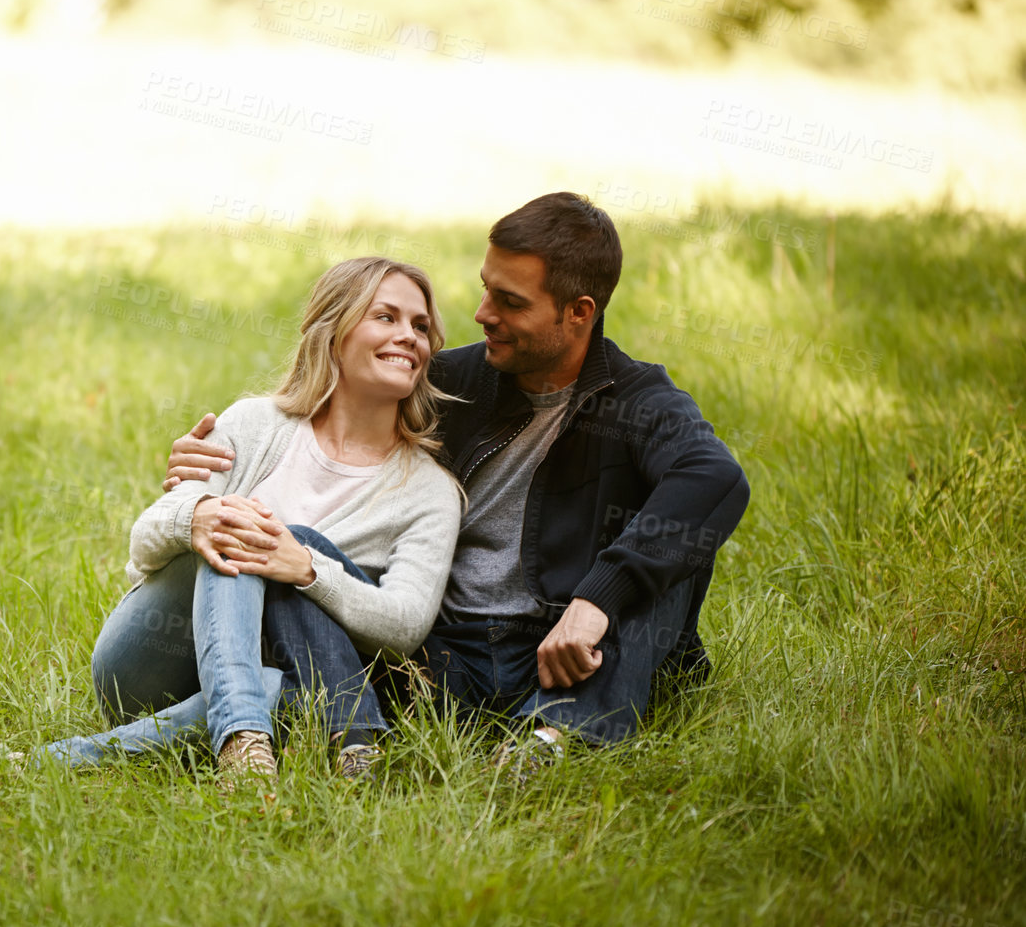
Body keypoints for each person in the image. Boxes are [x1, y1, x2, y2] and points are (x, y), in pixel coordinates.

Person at [164, 193, 750, 774]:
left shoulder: (637, 402)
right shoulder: (453, 380)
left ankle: (551, 740)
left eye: (510, 301)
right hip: (433, 654)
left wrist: (598, 598)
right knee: (297, 547)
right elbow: (331, 409)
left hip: (563, 658)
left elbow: (716, 478)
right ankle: (350, 739)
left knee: (677, 542)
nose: (482, 313)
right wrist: (217, 459)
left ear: (579, 312)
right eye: (485, 287)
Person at [36, 257, 464, 782]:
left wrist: (306, 568)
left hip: (284, 682)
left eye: (421, 326)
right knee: (239, 522)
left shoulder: (430, 492)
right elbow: (143, 545)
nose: (409, 337)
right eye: (386, 318)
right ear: (335, 333)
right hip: (156, 658)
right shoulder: (253, 424)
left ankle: (229, 741)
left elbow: (404, 626)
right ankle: (243, 730)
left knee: (283, 688)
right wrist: (195, 517)